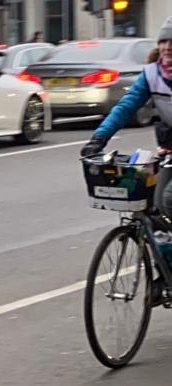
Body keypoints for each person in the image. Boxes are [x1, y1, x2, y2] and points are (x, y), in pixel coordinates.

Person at [81, 16, 172, 305]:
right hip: (169, 152)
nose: (168, 47)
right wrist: (99, 138)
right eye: (164, 41)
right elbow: (125, 106)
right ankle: (165, 274)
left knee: (169, 200)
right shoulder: (152, 74)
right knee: (154, 206)